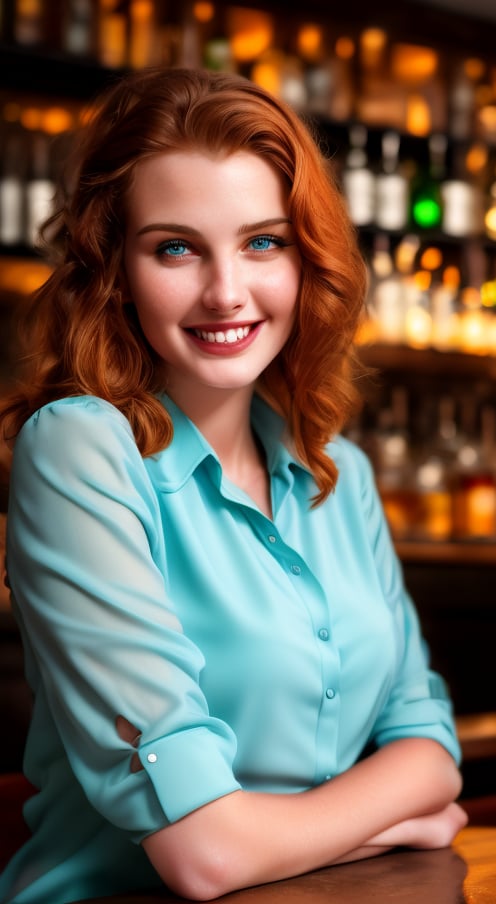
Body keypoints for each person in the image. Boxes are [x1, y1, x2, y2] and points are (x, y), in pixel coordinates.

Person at [0, 66, 467, 904]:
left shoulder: (340, 474)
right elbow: (205, 858)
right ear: (115, 269)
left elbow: (430, 746)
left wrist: (280, 833)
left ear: (306, 258)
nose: (226, 292)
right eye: (175, 247)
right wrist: (391, 816)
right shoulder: (79, 451)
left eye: (263, 241)